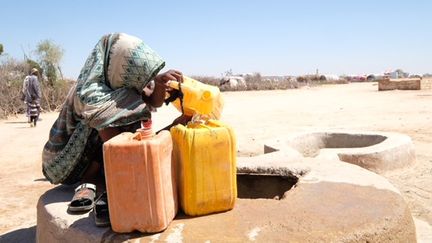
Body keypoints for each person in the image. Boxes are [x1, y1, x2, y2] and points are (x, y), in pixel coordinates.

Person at [41, 33, 191, 218]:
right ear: (118, 67)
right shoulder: (90, 94)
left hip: (107, 146)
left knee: (130, 112)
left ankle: (103, 174)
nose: (142, 82)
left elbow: (152, 97)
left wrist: (159, 84)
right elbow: (119, 148)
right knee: (104, 119)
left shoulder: (121, 81)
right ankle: (90, 181)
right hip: (66, 160)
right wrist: (169, 131)